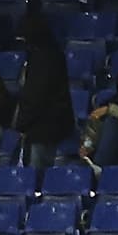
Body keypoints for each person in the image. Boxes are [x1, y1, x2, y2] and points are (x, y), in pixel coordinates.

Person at [15, 15, 75, 170]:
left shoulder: (43, 57)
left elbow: (36, 95)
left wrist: (22, 123)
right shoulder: (50, 53)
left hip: (43, 127)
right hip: (49, 124)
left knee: (37, 174)